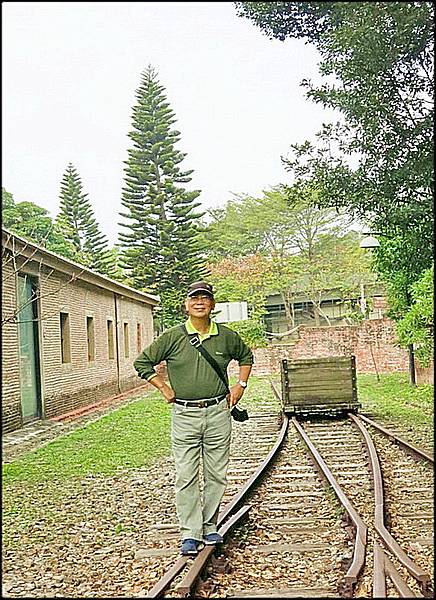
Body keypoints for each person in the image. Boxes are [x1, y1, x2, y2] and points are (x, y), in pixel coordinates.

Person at [134, 281, 253, 555]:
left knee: (216, 474)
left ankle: (210, 527)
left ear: (212, 305)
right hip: (184, 414)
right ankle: (190, 533)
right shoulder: (173, 337)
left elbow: (246, 356)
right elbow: (142, 363)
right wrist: (163, 387)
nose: (199, 302)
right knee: (186, 474)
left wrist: (240, 385)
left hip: (218, 413)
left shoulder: (226, 336)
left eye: (205, 298)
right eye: (194, 298)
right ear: (186, 305)